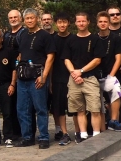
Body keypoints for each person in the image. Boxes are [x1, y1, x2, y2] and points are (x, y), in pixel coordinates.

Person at [14, 8, 55, 149]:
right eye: (27, 18)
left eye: (32, 18)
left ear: (37, 18)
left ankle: (43, 137)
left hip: (38, 77)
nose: (30, 21)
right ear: (24, 20)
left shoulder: (45, 35)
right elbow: (20, 54)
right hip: (23, 78)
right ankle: (27, 137)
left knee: (41, 109)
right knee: (22, 109)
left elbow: (50, 57)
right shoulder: (23, 34)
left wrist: (43, 76)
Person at [63, 12, 105, 143]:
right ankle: (83, 135)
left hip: (90, 78)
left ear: (88, 22)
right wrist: (74, 74)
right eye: (78, 21)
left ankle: (97, 135)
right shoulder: (70, 40)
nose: (81, 23)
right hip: (74, 80)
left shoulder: (95, 39)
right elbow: (66, 59)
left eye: (83, 21)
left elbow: (97, 60)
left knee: (95, 109)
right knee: (79, 110)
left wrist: (81, 71)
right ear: (75, 23)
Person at [97, 11, 121, 132]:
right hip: (95, 76)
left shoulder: (116, 38)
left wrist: (111, 76)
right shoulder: (93, 38)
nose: (103, 24)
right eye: (100, 21)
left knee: (116, 90)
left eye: (105, 21)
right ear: (97, 23)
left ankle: (114, 121)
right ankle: (100, 126)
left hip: (110, 74)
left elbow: (118, 59)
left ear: (109, 23)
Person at [4, 9, 26, 140]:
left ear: (20, 18)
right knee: (10, 105)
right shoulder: (6, 34)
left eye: (15, 17)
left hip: (22, 72)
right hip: (8, 72)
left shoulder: (24, 33)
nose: (13, 19)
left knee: (22, 105)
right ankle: (12, 132)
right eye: (11, 18)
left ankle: (23, 132)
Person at [50, 12, 72, 145]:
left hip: (73, 77)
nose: (62, 25)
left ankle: (80, 132)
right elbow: (50, 61)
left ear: (69, 23)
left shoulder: (74, 38)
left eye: (64, 22)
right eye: (59, 22)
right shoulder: (52, 40)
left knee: (75, 107)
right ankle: (64, 133)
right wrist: (51, 80)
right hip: (58, 77)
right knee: (58, 107)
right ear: (56, 23)